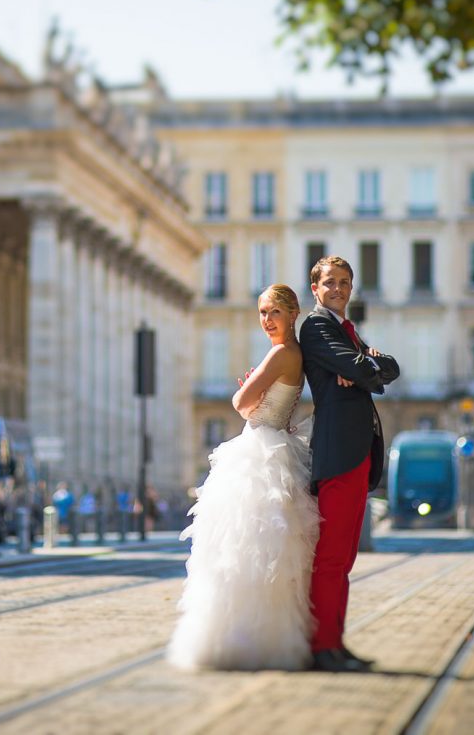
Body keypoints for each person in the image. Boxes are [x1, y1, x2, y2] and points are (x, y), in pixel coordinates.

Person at [167, 284, 318, 671]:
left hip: (260, 449)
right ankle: (267, 638)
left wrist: (253, 389)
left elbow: (241, 403)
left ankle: (238, 636)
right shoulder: (296, 355)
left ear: (293, 314)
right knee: (270, 550)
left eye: (274, 312)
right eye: (263, 313)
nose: (267, 320)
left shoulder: (281, 353)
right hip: (278, 445)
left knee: (239, 546)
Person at [299, 256, 400, 673]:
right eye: (330, 283)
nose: (338, 289)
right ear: (315, 288)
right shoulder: (317, 326)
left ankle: (335, 643)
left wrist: (366, 367)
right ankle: (322, 647)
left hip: (357, 452)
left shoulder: (346, 331)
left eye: (344, 282)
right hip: (339, 452)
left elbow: (388, 368)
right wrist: (363, 367)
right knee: (331, 558)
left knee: (344, 559)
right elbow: (363, 368)